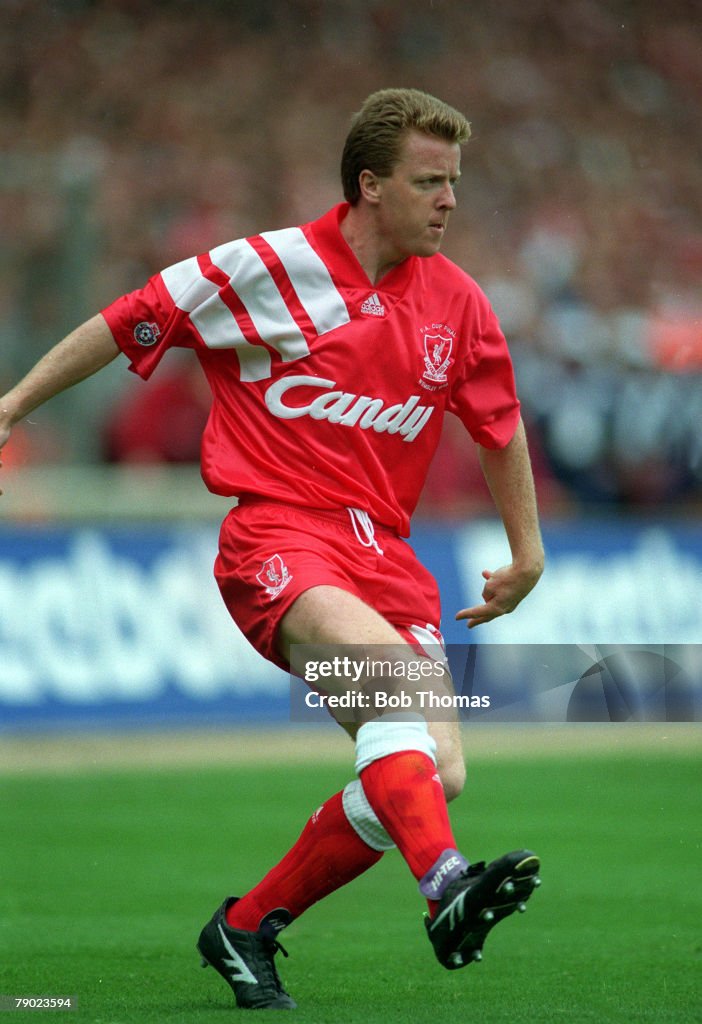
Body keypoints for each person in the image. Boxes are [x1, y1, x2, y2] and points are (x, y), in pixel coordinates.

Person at [0, 88, 545, 1010]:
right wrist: (11, 407)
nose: (450, 199)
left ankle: (245, 926)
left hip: (385, 555)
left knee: (432, 771)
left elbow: (498, 427)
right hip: (279, 534)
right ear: (370, 185)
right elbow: (133, 316)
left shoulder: (460, 303)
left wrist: (526, 554)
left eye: (454, 181)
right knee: (395, 691)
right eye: (429, 182)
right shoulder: (268, 268)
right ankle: (446, 888)